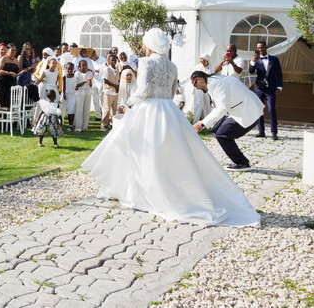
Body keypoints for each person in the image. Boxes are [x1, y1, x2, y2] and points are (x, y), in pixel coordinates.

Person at [82, 29, 260, 227]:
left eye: (143, 43)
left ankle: (139, 190)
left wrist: (129, 102)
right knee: (167, 152)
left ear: (149, 44)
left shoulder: (146, 61)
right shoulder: (173, 65)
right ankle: (145, 188)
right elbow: (169, 89)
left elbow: (144, 90)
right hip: (168, 110)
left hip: (149, 109)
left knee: (135, 147)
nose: (142, 46)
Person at [191, 70, 265, 171]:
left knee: (222, 134)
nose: (197, 88)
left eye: (195, 85)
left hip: (246, 111)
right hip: (244, 108)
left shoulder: (215, 84)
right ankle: (240, 161)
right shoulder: (214, 80)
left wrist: (202, 123)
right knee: (217, 129)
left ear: (199, 80)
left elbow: (221, 108)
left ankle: (242, 163)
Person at [249, 40, 283, 140]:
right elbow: (251, 71)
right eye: (258, 48)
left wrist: (279, 86)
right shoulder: (256, 60)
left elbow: (279, 74)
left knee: (271, 109)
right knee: (260, 110)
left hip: (271, 88)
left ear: (266, 47)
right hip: (259, 88)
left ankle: (274, 132)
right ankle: (261, 131)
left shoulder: (274, 59)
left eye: (262, 47)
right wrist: (253, 61)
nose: (260, 50)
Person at [0, 42, 20, 109]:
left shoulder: (16, 60)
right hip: (3, 83)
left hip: (12, 83)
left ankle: (10, 118)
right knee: (4, 102)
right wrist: (9, 73)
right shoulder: (4, 58)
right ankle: (4, 118)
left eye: (15, 50)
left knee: (11, 102)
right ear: (8, 50)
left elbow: (17, 71)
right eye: (12, 50)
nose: (14, 52)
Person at [73, 60, 94, 131]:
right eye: (83, 65)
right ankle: (78, 127)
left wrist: (90, 81)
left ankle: (85, 126)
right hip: (80, 92)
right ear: (79, 66)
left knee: (86, 109)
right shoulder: (77, 73)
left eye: (85, 65)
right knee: (79, 110)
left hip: (88, 92)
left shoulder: (89, 72)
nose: (84, 67)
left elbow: (91, 85)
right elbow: (77, 85)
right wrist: (86, 80)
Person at [100, 53, 119, 130]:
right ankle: (104, 124)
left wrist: (118, 87)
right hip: (108, 92)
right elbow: (106, 80)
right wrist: (115, 86)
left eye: (115, 59)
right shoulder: (107, 69)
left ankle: (112, 123)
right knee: (107, 109)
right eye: (112, 60)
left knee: (114, 109)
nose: (114, 61)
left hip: (116, 93)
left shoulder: (117, 70)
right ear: (109, 61)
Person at [63, 62, 77, 130]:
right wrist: (64, 94)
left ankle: (74, 123)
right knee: (69, 110)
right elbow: (64, 86)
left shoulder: (75, 76)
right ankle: (70, 125)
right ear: (66, 69)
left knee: (74, 109)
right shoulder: (65, 77)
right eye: (68, 69)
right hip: (68, 94)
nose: (70, 71)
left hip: (75, 94)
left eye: (71, 69)